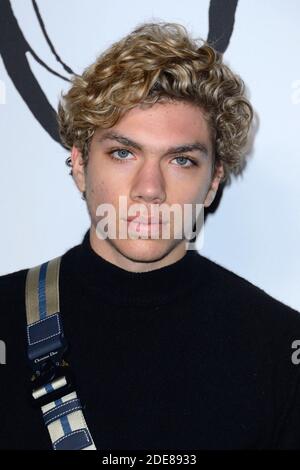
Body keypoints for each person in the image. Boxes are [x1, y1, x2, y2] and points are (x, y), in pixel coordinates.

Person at [1, 21, 300, 450]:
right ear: (81, 165)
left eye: (181, 160)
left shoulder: (280, 348)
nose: (150, 188)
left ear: (213, 181)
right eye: (123, 153)